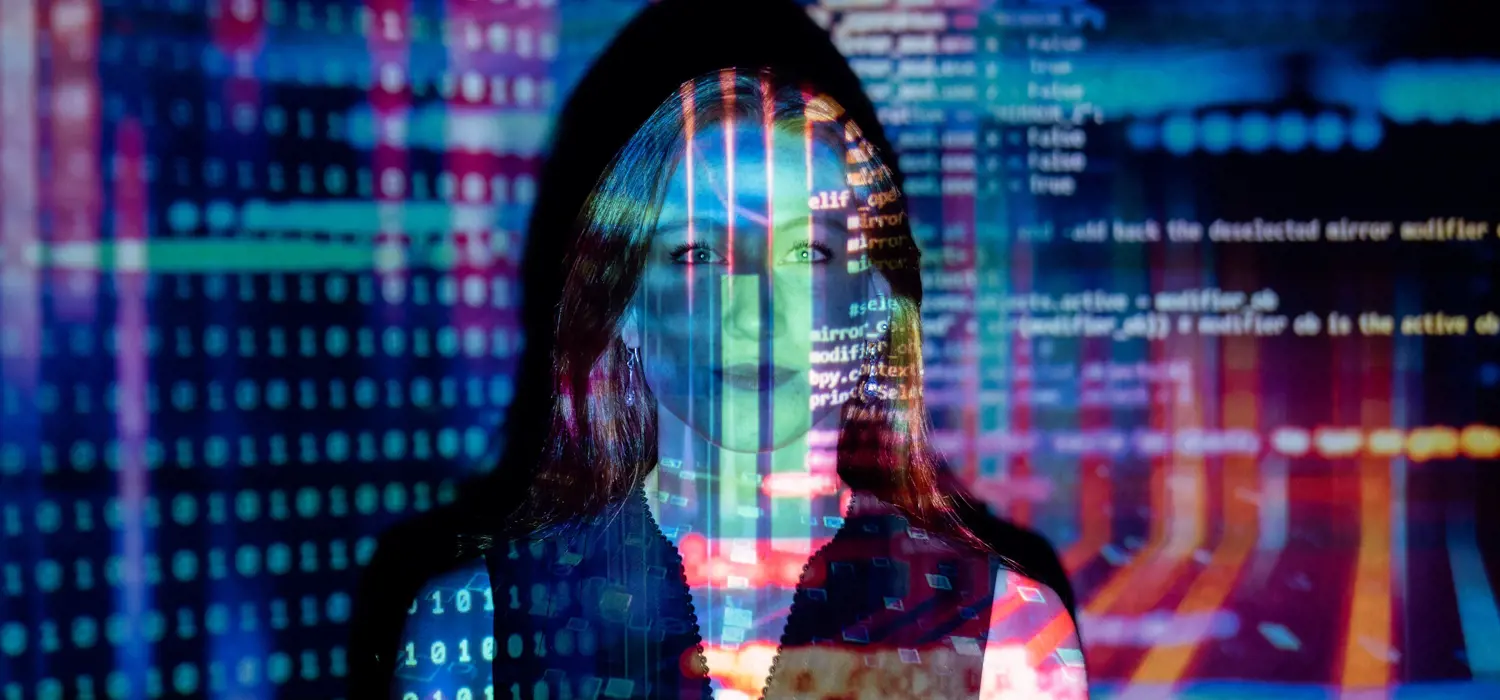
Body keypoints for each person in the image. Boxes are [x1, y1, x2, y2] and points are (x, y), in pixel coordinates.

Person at [347, 2, 1085, 699]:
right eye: (699, 253)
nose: (752, 311)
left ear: (874, 305)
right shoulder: (473, 631)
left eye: (808, 253)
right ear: (623, 307)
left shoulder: (1010, 636)